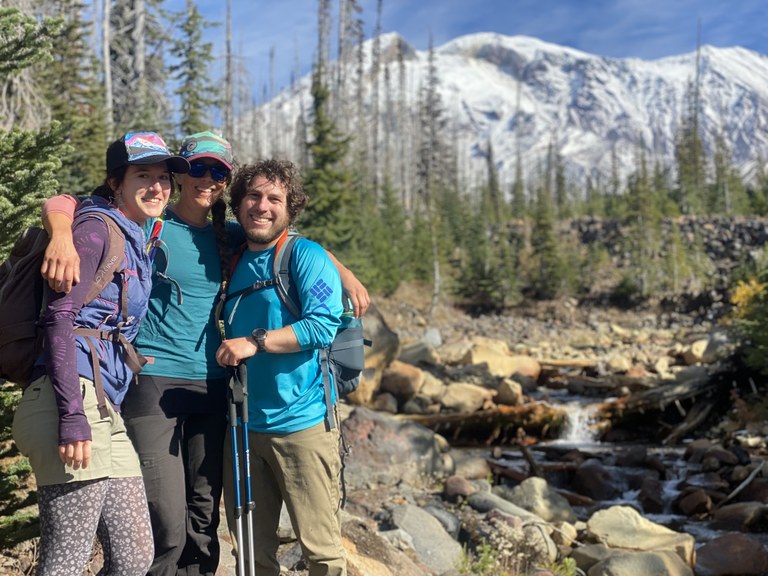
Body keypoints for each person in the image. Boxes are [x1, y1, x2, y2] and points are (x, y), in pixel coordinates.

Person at [39, 133, 368, 576]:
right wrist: (60, 234)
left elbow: (283, 237)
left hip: (215, 388)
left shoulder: (229, 237)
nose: (208, 179)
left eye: (218, 172)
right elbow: (67, 203)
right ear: (180, 175)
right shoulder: (149, 224)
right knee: (166, 521)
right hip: (154, 386)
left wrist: (341, 272)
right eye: (198, 168)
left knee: (202, 520)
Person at [13, 132, 190, 575]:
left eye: (164, 177)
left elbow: (61, 200)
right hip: (69, 400)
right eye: (143, 176)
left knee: (133, 558)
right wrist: (72, 414)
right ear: (116, 182)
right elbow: (59, 319)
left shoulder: (135, 234)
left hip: (102, 406)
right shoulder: (95, 231)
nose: (157, 187)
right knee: (65, 563)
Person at [216, 159, 347, 576]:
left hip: (302, 424)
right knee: (252, 555)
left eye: (275, 198)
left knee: (321, 552)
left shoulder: (304, 256)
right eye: (253, 195)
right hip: (242, 430)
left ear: (290, 209)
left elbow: (322, 324)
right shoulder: (231, 256)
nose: (263, 206)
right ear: (238, 204)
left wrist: (255, 342)